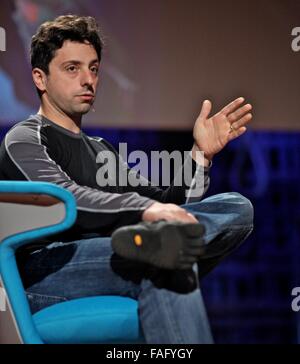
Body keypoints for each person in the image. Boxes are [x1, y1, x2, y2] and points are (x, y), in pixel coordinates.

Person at [0, 15, 254, 344]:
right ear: (40, 78)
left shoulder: (100, 150)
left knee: (236, 208)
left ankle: (159, 242)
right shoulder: (24, 138)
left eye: (93, 68)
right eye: (72, 68)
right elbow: (65, 198)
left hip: (109, 257)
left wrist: (200, 155)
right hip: (45, 272)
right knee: (162, 254)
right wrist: (146, 210)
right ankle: (157, 243)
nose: (88, 80)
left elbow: (168, 203)